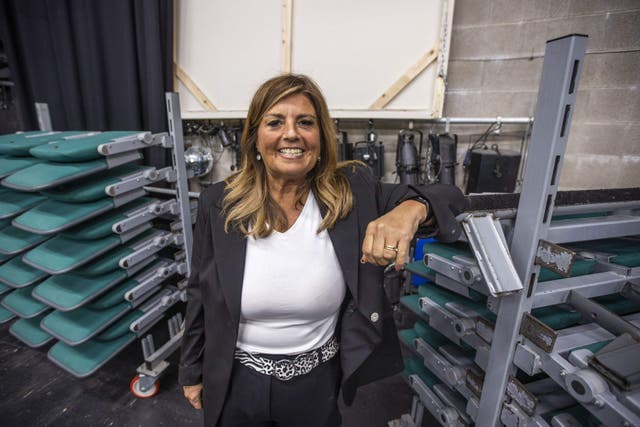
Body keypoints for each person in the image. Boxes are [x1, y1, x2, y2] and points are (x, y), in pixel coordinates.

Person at [179, 74, 467, 426]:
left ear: (321, 139)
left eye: (305, 122)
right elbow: (200, 292)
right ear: (255, 138)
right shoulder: (219, 202)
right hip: (238, 379)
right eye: (274, 122)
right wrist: (191, 370)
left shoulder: (354, 193)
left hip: (317, 381)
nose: (291, 134)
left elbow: (451, 198)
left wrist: (410, 210)